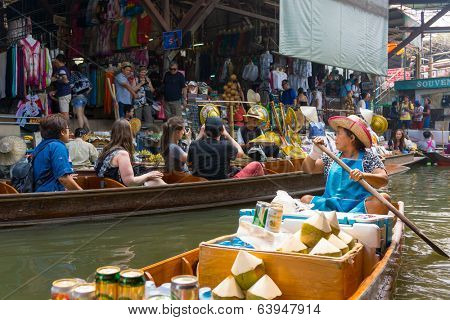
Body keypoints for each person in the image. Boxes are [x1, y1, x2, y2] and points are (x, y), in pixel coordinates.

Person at [301, 115, 390, 214]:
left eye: (338, 134)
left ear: (351, 137)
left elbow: (384, 180)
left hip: (357, 210)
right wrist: (315, 152)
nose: (335, 138)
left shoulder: (368, 158)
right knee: (305, 200)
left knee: (383, 198)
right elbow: (307, 169)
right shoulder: (332, 157)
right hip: (330, 207)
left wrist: (363, 175)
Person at [188, 117, 264, 180]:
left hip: (202, 185)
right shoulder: (226, 145)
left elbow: (188, 163)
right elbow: (241, 153)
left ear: (204, 130)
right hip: (224, 185)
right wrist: (227, 135)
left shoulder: (194, 145)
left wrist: (200, 134)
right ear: (222, 131)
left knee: (234, 168)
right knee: (256, 164)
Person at [95, 120, 166, 187]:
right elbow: (130, 182)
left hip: (111, 188)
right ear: (128, 134)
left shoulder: (106, 151)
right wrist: (149, 175)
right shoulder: (122, 154)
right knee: (157, 181)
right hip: (121, 192)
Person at [33, 114, 82, 192]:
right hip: (52, 196)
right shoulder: (58, 146)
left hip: (40, 193)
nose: (70, 132)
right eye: (68, 128)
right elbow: (63, 179)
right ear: (63, 132)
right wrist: (83, 194)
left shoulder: (41, 146)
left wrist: (67, 176)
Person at [70, 64, 92, 131]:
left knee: (79, 115)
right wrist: (84, 94)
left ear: (71, 70)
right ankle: (89, 130)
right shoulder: (83, 76)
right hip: (84, 98)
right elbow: (90, 87)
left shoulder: (72, 76)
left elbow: (70, 86)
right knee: (82, 114)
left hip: (77, 98)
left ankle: (81, 132)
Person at [52, 54, 71, 120]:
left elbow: (65, 80)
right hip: (65, 93)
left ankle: (66, 129)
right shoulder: (64, 69)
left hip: (64, 94)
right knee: (64, 113)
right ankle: (66, 129)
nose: (55, 63)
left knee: (64, 114)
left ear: (57, 61)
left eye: (55, 61)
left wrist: (58, 79)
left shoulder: (61, 70)